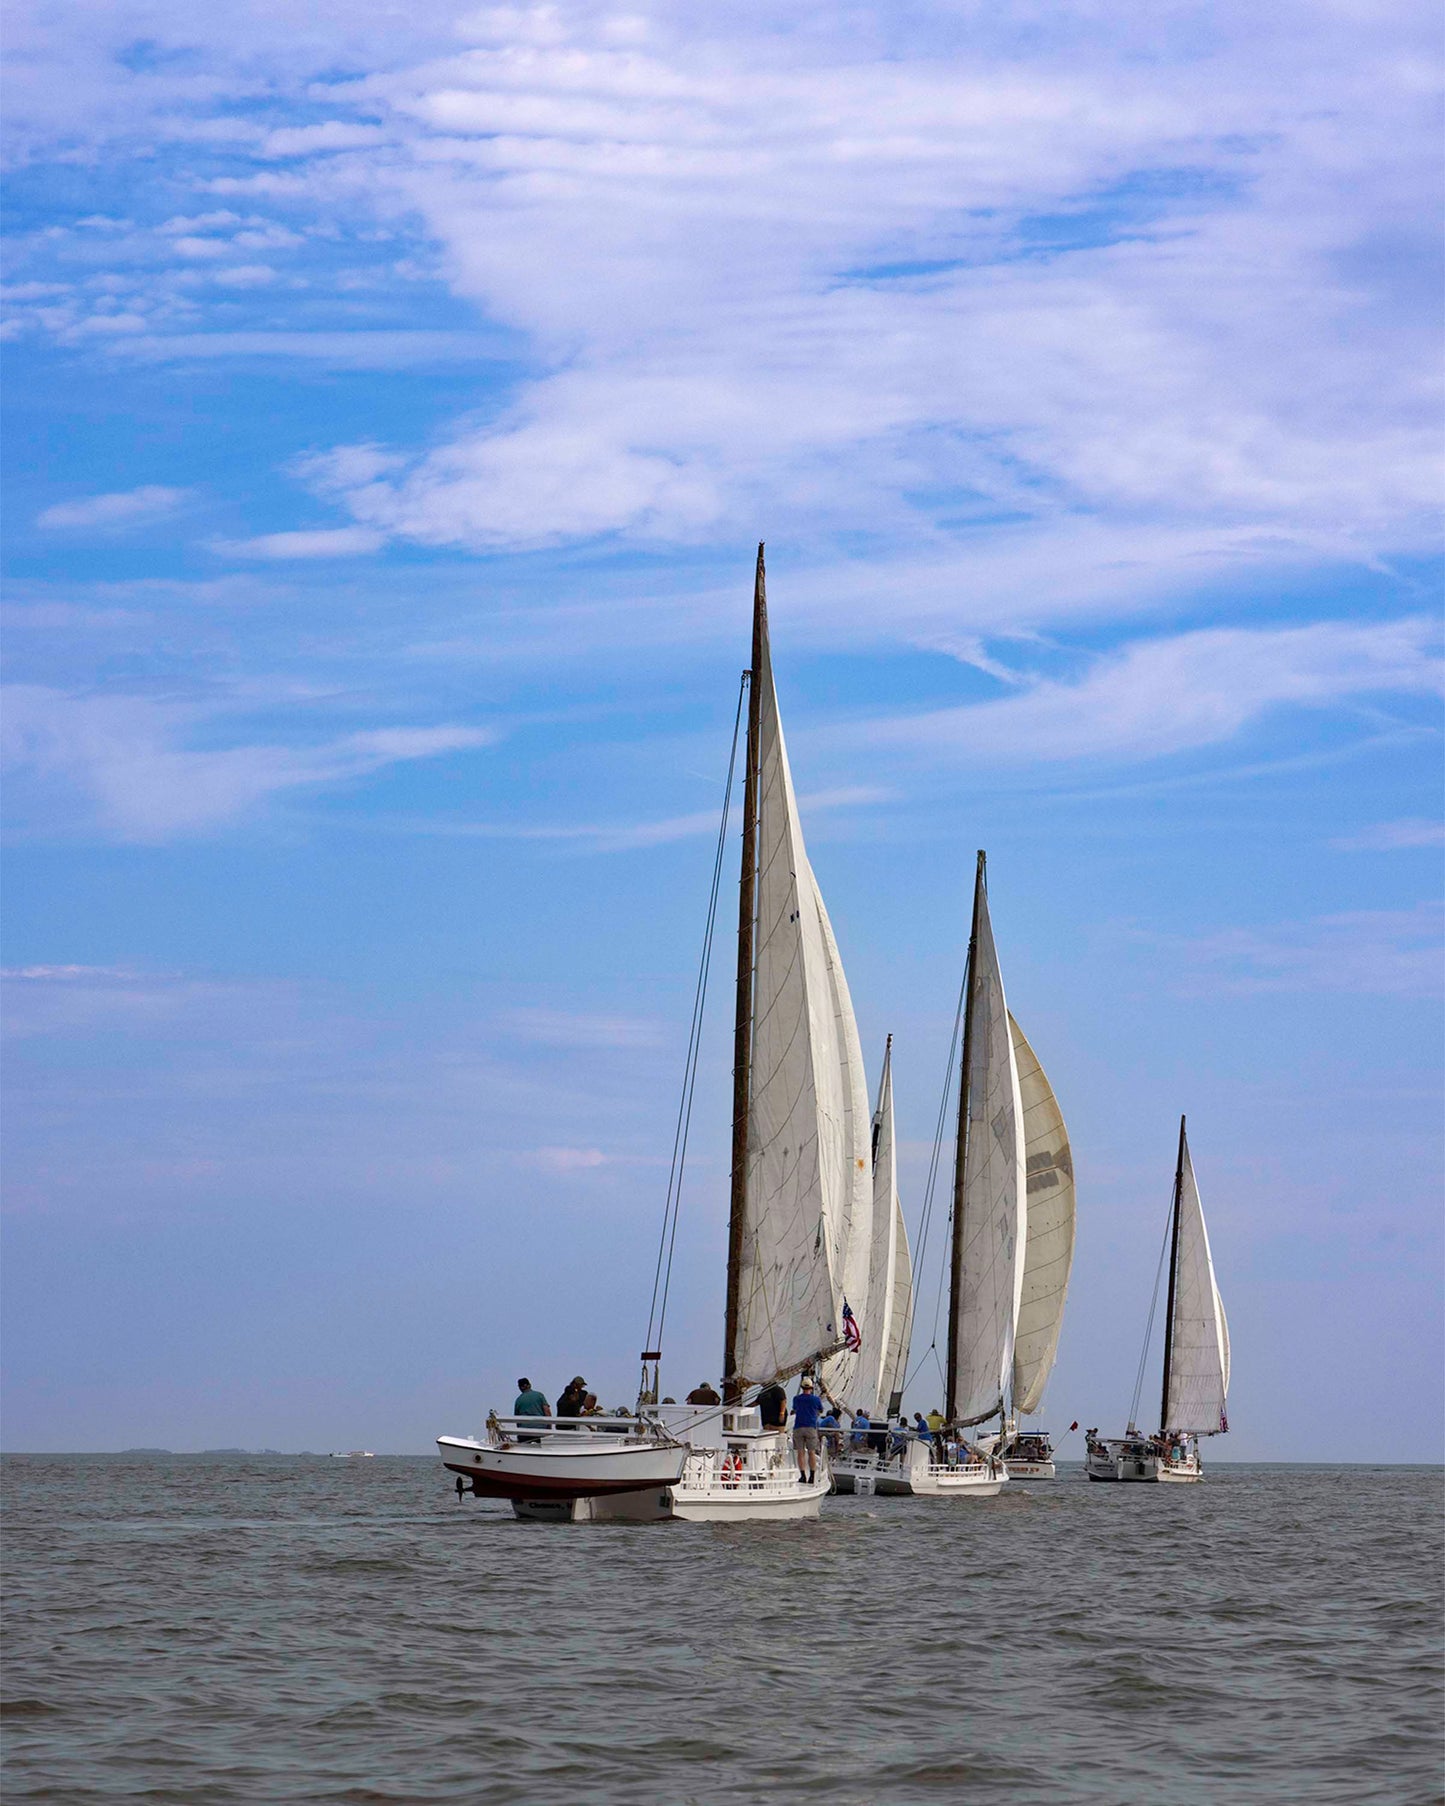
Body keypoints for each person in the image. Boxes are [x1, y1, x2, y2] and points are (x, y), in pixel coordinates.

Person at [790, 1377, 827, 1483]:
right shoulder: (816, 1399)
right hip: (811, 1427)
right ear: (811, 1387)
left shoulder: (796, 1399)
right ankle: (812, 1476)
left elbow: (795, 1409)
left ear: (802, 1387)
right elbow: (820, 1409)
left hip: (798, 1427)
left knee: (800, 1453)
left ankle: (802, 1476)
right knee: (811, 1452)